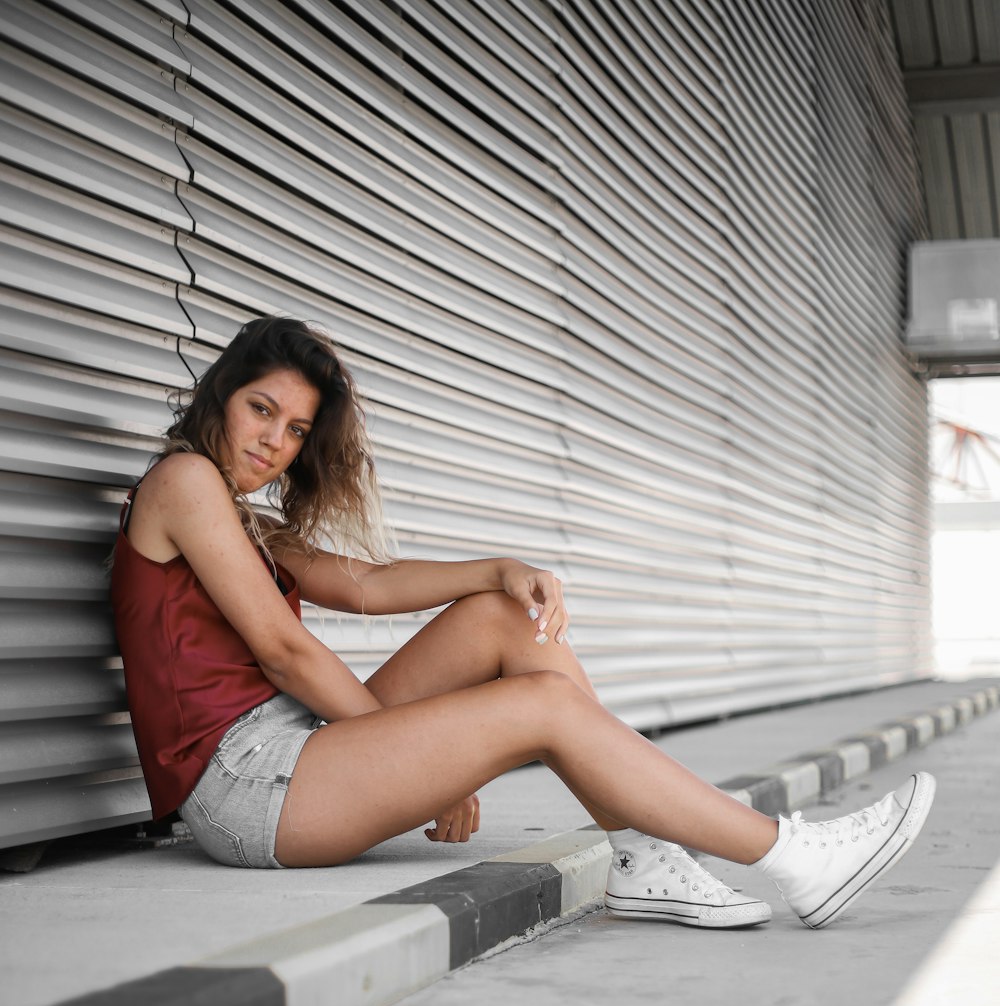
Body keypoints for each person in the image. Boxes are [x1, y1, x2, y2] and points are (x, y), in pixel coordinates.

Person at [110, 316, 935, 931]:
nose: (276, 443)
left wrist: (501, 568)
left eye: (295, 430)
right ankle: (794, 858)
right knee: (543, 707)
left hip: (291, 755)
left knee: (505, 619)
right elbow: (286, 653)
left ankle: (642, 858)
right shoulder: (184, 480)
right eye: (262, 411)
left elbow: (364, 583)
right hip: (245, 789)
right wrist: (439, 762)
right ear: (220, 392)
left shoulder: (245, 516)